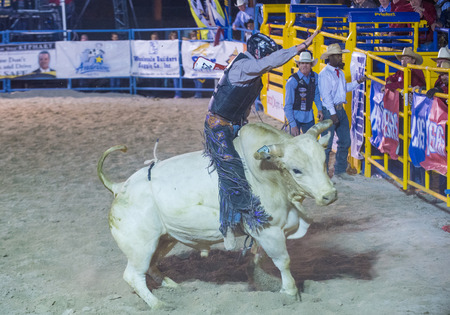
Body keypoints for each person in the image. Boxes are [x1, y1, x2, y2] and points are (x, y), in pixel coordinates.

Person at [204, 31, 319, 249]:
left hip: (235, 124)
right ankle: (236, 220)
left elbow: (244, 104)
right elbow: (268, 63)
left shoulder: (248, 71)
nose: (268, 59)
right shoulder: (244, 66)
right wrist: (300, 47)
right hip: (218, 127)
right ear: (258, 52)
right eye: (266, 55)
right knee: (231, 166)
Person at [318, 43, 368, 181]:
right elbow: (326, 96)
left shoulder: (338, 73)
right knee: (327, 145)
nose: (341, 58)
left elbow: (343, 89)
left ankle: (339, 171)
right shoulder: (325, 74)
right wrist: (333, 113)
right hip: (330, 111)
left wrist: (358, 82)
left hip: (338, 109)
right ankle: (324, 174)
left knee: (345, 140)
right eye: (338, 56)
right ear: (331, 57)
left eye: (340, 55)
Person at [284, 51, 323, 136]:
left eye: (307, 63)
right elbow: (288, 105)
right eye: (302, 63)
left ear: (311, 65)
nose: (304, 65)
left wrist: (319, 109)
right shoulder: (292, 81)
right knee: (294, 145)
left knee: (311, 143)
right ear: (299, 65)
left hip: (309, 117)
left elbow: (316, 94)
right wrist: (293, 125)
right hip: (295, 118)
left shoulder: (315, 77)